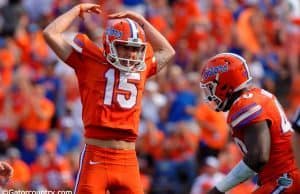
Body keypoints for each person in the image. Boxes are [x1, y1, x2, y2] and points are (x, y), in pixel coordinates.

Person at [43, 3, 175, 194]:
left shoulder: (141, 66)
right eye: (124, 48)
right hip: (97, 155)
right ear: (109, 44)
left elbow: (168, 51)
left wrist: (141, 21)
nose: (131, 54)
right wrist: (76, 10)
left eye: (135, 49)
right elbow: (50, 34)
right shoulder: (89, 61)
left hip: (128, 158)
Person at [198, 53, 300, 194]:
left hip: (285, 178)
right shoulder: (257, 94)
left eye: (211, 89)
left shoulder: (243, 105)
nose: (210, 96)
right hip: (283, 176)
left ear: (224, 85)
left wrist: (218, 189)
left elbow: (257, 157)